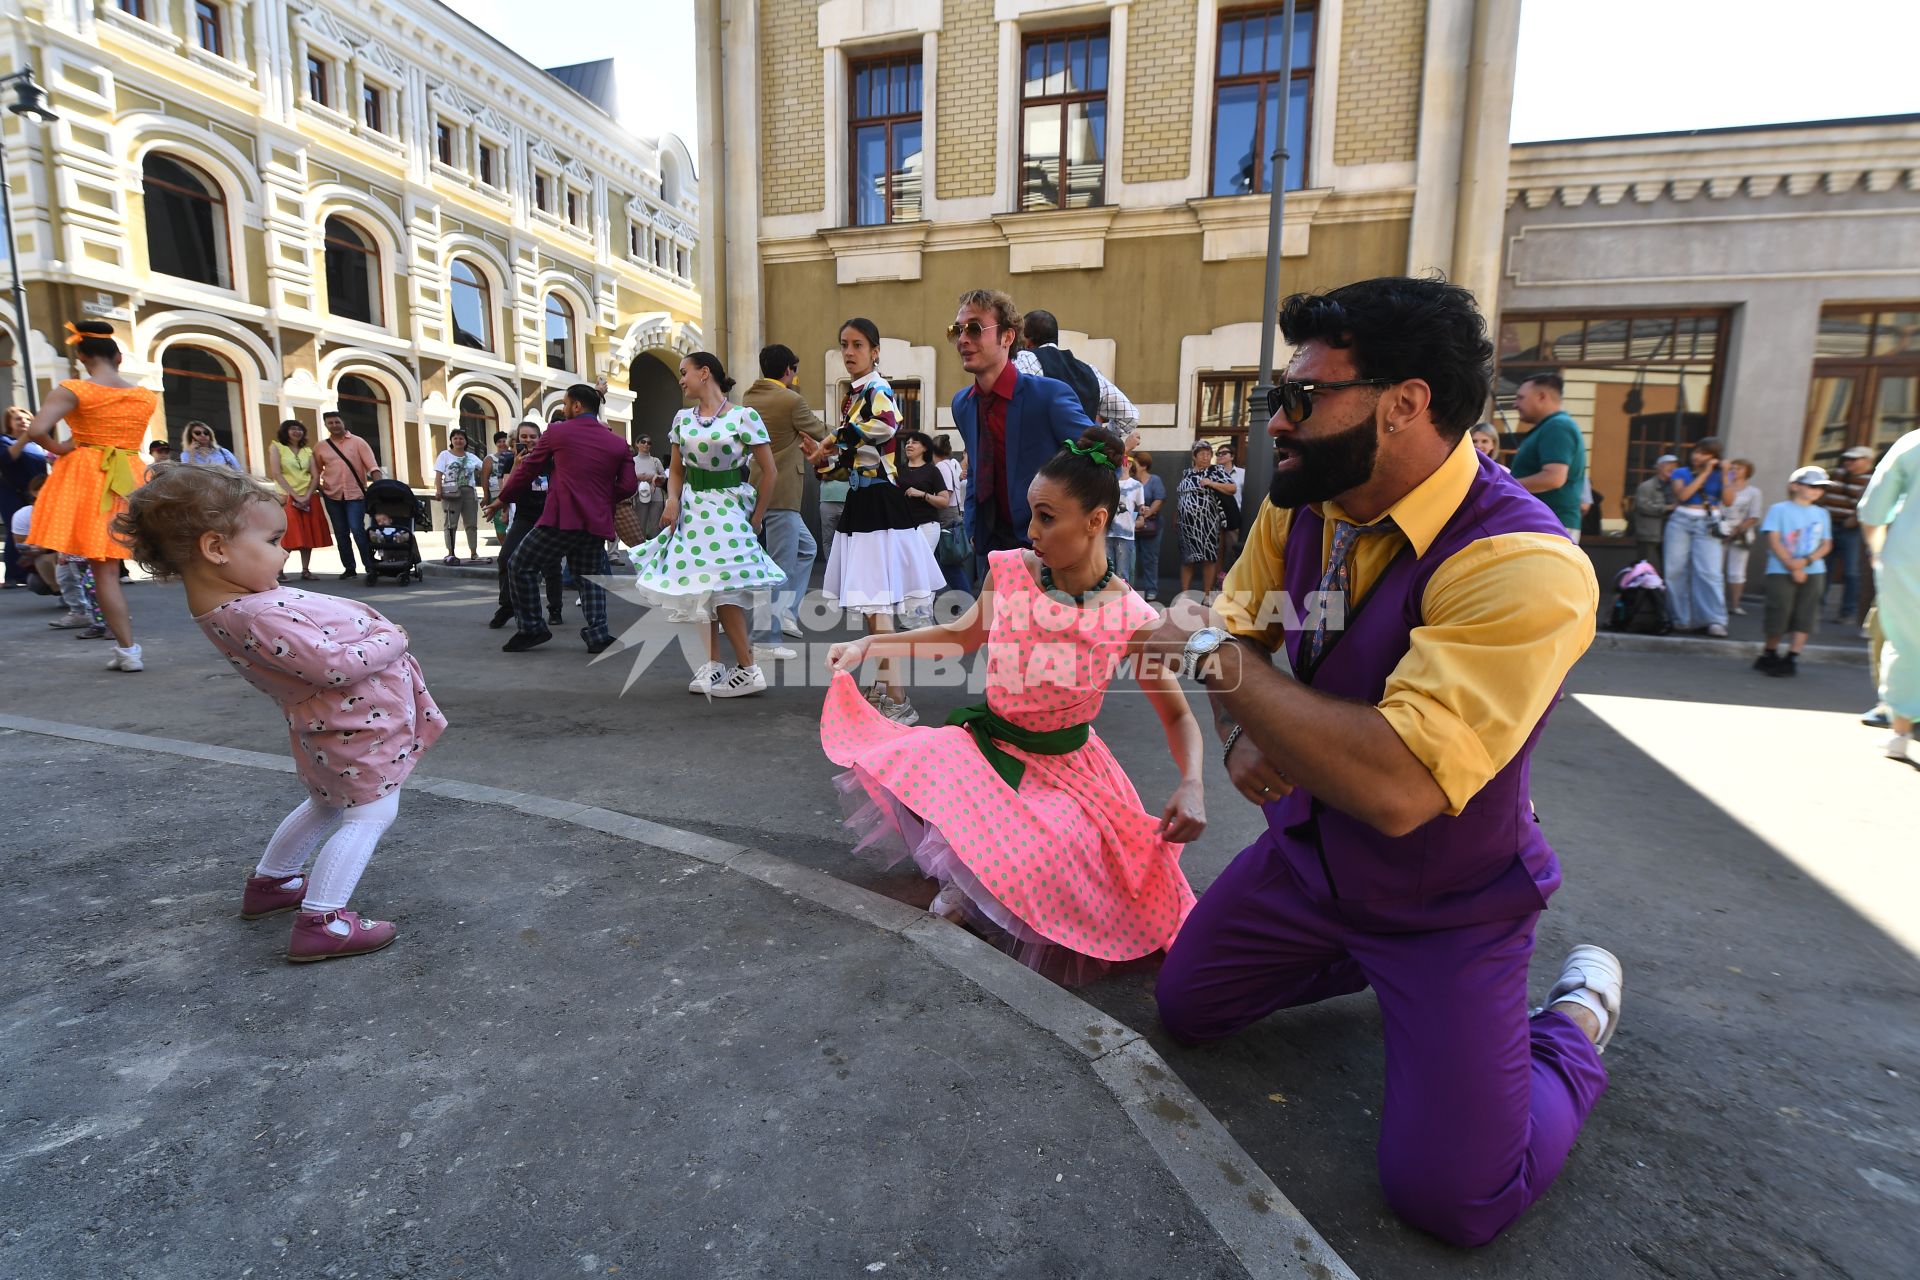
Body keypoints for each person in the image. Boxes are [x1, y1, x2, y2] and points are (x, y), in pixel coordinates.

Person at [1150, 276, 1615, 1249]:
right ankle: (1382, 987)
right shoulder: (1304, 502)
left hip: (1444, 900)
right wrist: (1241, 729)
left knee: (1452, 1199)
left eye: (1303, 398)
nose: (1277, 420)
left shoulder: (1527, 563)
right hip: (1310, 865)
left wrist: (1207, 656)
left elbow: (1400, 785)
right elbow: (1255, 635)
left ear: (1405, 402)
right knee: (1187, 1006)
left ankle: (1573, 1021)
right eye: (1273, 398)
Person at [820, 425, 1206, 983]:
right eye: (1032, 514)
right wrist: (869, 644)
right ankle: (971, 884)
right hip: (986, 744)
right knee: (914, 759)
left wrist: (1191, 781)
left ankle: (985, 896)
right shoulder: (1012, 571)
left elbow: (1178, 716)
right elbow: (958, 637)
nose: (1031, 531)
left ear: (1097, 521)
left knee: (1054, 852)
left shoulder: (1131, 619)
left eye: (1047, 518)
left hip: (1066, 772)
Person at [113, 464, 445, 962]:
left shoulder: (230, 598)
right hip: (353, 724)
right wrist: (390, 638)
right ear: (216, 549)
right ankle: (323, 921)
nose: (284, 550)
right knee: (371, 813)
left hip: (330, 725)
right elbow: (333, 665)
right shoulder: (257, 613)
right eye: (272, 540)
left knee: (326, 801)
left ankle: (272, 883)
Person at [631, 352, 786, 697]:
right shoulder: (683, 418)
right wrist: (672, 501)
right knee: (702, 584)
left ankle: (748, 668)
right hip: (693, 508)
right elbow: (675, 469)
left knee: (725, 584)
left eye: (684, 373)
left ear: (705, 373)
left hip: (728, 506)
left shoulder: (744, 416)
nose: (681, 380)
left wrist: (757, 518)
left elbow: (770, 471)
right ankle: (714, 663)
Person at [816, 318, 947, 725]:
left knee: (879, 605)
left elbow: (886, 425)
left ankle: (898, 698)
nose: (849, 351)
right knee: (875, 607)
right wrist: (828, 460)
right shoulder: (854, 395)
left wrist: (837, 438)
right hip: (864, 500)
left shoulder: (878, 388)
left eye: (858, 344)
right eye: (844, 345)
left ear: (875, 351)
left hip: (878, 504)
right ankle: (883, 686)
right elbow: (855, 454)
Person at [14, 320, 154, 671]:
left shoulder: (74, 389)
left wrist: (62, 447)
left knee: (103, 572)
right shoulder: (144, 396)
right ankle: (126, 651)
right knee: (114, 567)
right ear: (118, 356)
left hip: (91, 477)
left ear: (81, 355)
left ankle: (129, 651)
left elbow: (36, 429)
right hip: (130, 475)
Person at [949, 289, 1096, 582]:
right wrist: (972, 525)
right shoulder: (962, 404)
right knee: (995, 627)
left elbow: (1102, 462)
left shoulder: (1049, 396)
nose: (963, 339)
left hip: (1047, 548)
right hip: (991, 548)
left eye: (975, 329)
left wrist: (1073, 533)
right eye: (957, 330)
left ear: (1007, 337)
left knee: (1047, 628)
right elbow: (977, 467)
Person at [497, 383, 635, 654]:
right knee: (591, 576)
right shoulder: (618, 443)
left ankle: (532, 627)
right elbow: (628, 486)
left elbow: (528, 469)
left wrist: (504, 497)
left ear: (576, 406)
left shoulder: (557, 432)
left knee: (520, 564)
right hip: (595, 522)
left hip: (562, 518)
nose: (562, 408)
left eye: (564, 403)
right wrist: (600, 498)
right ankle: (598, 634)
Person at [743, 343, 830, 661]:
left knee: (806, 549)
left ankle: (786, 613)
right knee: (777, 568)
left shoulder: (750, 397)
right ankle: (766, 639)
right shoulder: (791, 400)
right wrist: (854, 435)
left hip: (760, 487)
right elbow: (819, 431)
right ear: (789, 370)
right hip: (782, 492)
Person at [1859, 429, 1919, 760]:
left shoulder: (1912, 443)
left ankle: (1900, 733)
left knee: (1907, 643)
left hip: (1910, 558)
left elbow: (1873, 509)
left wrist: (1878, 553)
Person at [1752, 466, 1834, 678]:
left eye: (1821, 488)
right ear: (1795, 486)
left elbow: (1826, 544)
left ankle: (1792, 656)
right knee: (1779, 610)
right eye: (1812, 486)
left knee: (1806, 614)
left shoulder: (1822, 513)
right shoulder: (1779, 509)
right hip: (1780, 568)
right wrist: (1791, 564)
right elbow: (1774, 539)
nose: (1817, 491)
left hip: (1813, 569)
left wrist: (1805, 562)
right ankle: (1769, 653)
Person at [482, 421, 563, 630]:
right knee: (505, 557)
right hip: (525, 517)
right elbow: (508, 491)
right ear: (517, 440)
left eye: (533, 436)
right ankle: (507, 605)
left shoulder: (551, 459)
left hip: (548, 517)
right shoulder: (511, 460)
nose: (528, 440)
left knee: (550, 564)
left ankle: (555, 608)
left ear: (540, 438)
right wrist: (518, 466)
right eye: (524, 437)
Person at [1011, 308, 1139, 435]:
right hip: (1081, 453)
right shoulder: (1090, 372)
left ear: (1026, 341)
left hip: (1039, 453)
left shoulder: (1024, 359)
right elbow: (1130, 416)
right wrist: (1100, 442)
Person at [1510, 372, 1587, 542]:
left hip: (1549, 526)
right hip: (1544, 524)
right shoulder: (1552, 426)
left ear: (1542, 397)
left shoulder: (1558, 426)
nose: (1515, 404)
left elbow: (1553, 478)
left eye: (1520, 398)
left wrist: (1503, 486)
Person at [1665, 436, 1730, 636]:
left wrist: (1725, 474)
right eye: (1696, 451)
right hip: (1682, 520)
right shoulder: (1681, 472)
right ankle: (1680, 618)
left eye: (1704, 453)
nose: (1697, 456)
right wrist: (1704, 473)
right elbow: (1682, 496)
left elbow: (1729, 500)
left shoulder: (1722, 474)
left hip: (1709, 522)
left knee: (1709, 572)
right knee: (1674, 571)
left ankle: (1714, 620)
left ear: (1714, 456)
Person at [892, 429, 951, 630]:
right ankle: (911, 617)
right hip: (903, 528)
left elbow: (944, 501)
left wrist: (922, 494)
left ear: (925, 448)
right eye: (907, 442)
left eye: (914, 442)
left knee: (922, 569)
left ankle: (923, 616)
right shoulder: (897, 471)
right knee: (908, 571)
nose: (909, 445)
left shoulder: (932, 471)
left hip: (927, 526)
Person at [315, 410, 382, 580]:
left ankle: (370, 566)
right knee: (340, 532)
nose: (334, 425)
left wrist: (379, 489)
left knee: (357, 530)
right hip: (332, 496)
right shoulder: (321, 446)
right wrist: (321, 489)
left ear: (343, 423)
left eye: (337, 422)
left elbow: (373, 467)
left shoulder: (358, 442)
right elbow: (315, 471)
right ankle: (349, 568)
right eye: (330, 423)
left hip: (355, 495)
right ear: (326, 425)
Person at [266, 419, 332, 583]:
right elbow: (277, 473)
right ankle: (278, 570)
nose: (297, 432)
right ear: (285, 431)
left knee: (307, 535)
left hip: (309, 496)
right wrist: (295, 496)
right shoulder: (277, 447)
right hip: (287, 496)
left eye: (300, 429)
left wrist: (307, 496)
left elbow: (315, 475)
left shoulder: (307, 451)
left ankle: (305, 570)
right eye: (293, 429)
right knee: (288, 535)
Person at [1819, 444, 1876, 624]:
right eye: (1847, 458)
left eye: (1853, 459)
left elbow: (1871, 505)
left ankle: (1848, 612)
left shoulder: (1872, 479)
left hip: (1850, 529)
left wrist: (1855, 519)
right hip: (1829, 525)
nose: (1848, 462)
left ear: (1867, 461)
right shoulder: (1838, 473)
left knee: (1851, 572)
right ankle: (1817, 608)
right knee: (1824, 568)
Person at [1176, 441, 1234, 597]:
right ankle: (1184, 595)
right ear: (1194, 456)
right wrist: (1176, 516)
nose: (1206, 457)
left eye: (1209, 454)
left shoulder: (1216, 470)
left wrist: (1212, 483)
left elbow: (1232, 488)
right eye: (1202, 454)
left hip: (1207, 524)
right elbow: (1181, 497)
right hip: (1186, 524)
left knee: (1208, 558)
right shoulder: (1186, 473)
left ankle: (1207, 595)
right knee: (1187, 559)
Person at [2, 404, 51, 587]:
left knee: (38, 530)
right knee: (15, 531)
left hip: (37, 493)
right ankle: (13, 575)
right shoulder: (4, 441)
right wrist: (24, 438)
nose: (23, 422)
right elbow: (7, 459)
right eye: (18, 419)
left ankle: (35, 570)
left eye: (27, 419)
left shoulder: (37, 444)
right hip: (12, 493)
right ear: (9, 423)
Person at [432, 428, 484, 564]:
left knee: (471, 523)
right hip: (450, 492)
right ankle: (451, 553)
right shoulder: (445, 455)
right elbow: (438, 474)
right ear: (451, 440)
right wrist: (438, 490)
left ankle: (473, 552)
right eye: (455, 438)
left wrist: (479, 476)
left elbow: (484, 468)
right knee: (450, 523)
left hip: (469, 492)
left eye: (461, 438)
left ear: (466, 441)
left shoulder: (471, 457)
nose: (458, 440)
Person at [1721, 458, 1764, 617]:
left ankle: (1735, 605)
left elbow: (1754, 516)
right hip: (1719, 532)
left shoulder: (1754, 492)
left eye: (1739, 468)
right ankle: (1716, 603)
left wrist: (1737, 530)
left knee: (1737, 572)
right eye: (1732, 468)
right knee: (1715, 570)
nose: (1734, 471)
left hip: (1741, 534)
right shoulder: (1724, 486)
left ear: (1747, 471)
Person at [931, 434, 972, 596]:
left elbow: (945, 497)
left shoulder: (940, 467)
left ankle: (967, 603)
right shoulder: (949, 464)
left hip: (945, 521)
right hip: (954, 517)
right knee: (950, 567)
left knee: (950, 568)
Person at [1630, 453, 1679, 571]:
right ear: (1659, 467)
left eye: (1675, 465)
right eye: (1668, 465)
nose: (1672, 468)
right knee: (1644, 565)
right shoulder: (1646, 486)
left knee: (1667, 566)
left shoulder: (1676, 485)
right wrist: (1667, 508)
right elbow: (1643, 506)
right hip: (1649, 534)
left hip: (1669, 533)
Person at [1133, 451, 1166, 602]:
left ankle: (1151, 589)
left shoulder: (1155, 480)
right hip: (1132, 525)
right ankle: (1130, 590)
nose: (1131, 464)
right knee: (1130, 559)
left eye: (1135, 462)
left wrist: (1146, 514)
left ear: (1144, 465)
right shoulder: (1130, 480)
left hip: (1151, 525)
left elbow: (1159, 499)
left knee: (1150, 559)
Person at [1109, 453, 1143, 588]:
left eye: (1126, 462)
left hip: (1126, 534)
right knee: (1107, 573)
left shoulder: (1137, 485)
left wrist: (1135, 519)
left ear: (1130, 464)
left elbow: (1139, 509)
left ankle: (1122, 603)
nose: (1123, 465)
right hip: (1107, 533)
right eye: (1121, 462)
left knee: (1123, 573)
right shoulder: (1109, 482)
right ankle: (1108, 603)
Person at [1215, 441, 1247, 566]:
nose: (1220, 455)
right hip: (1215, 517)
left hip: (1233, 517)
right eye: (1218, 453)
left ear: (1232, 456)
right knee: (1217, 552)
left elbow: (1247, 495)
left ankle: (1234, 582)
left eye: (1224, 453)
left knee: (1234, 550)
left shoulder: (1242, 473)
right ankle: (1217, 583)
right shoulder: (1213, 473)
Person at [631, 435, 667, 541]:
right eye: (643, 442)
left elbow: (664, 477)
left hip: (656, 495)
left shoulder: (656, 461)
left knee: (656, 526)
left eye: (649, 443)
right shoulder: (632, 461)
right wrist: (638, 477)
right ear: (637, 444)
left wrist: (657, 477)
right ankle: (641, 550)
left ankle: (656, 551)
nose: (646, 444)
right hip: (639, 495)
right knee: (640, 525)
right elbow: (627, 478)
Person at [481, 431, 514, 545]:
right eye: (499, 441)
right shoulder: (490, 459)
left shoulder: (513, 456)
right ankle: (504, 547)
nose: (502, 443)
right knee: (499, 523)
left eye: (504, 440)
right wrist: (485, 496)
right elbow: (484, 478)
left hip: (511, 495)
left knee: (511, 521)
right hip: (496, 496)